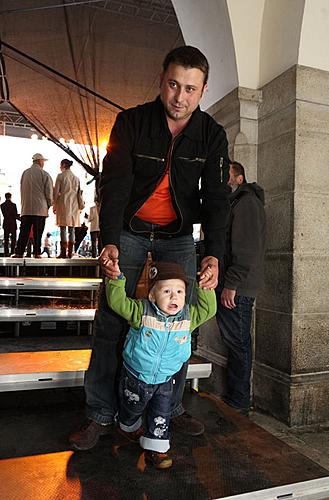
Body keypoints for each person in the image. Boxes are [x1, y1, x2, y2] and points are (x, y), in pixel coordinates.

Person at [69, 45, 230, 451]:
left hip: (177, 235)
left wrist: (213, 253)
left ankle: (169, 409)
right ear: (162, 80)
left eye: (191, 89)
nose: (180, 97)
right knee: (111, 321)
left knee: (181, 326)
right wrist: (109, 243)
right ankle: (101, 412)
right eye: (174, 84)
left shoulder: (212, 134)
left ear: (203, 90)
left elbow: (215, 198)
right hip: (130, 229)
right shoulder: (132, 122)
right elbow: (115, 186)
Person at [107, 261, 216, 469]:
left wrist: (205, 288)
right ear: (152, 295)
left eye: (180, 291)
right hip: (136, 375)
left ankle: (157, 449)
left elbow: (209, 309)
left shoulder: (188, 317)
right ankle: (128, 425)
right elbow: (117, 302)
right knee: (132, 408)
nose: (174, 297)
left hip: (166, 378)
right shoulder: (141, 312)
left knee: (161, 414)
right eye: (166, 291)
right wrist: (115, 280)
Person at [216, 161, 266, 416]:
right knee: (235, 341)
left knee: (238, 343)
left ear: (239, 178)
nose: (222, 182)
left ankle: (239, 401)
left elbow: (245, 250)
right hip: (234, 284)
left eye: (227, 177)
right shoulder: (236, 202)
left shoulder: (246, 203)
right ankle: (236, 398)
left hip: (239, 287)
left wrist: (231, 284)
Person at [12, 153, 53, 258]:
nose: (43, 163)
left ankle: (19, 252)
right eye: (43, 161)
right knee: (38, 233)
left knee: (24, 232)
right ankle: (37, 253)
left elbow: (22, 190)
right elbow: (49, 193)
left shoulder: (25, 173)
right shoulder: (45, 174)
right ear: (40, 161)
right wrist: (49, 204)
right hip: (40, 209)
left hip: (26, 208)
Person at [53, 158, 84, 258]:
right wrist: (81, 206)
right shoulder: (76, 178)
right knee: (71, 229)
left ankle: (63, 253)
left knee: (63, 228)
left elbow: (56, 192)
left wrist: (54, 204)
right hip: (74, 206)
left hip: (63, 204)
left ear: (63, 165)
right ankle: (70, 253)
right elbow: (79, 194)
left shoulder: (60, 176)